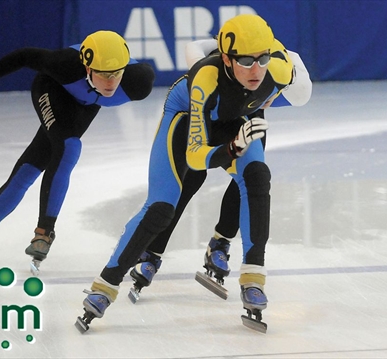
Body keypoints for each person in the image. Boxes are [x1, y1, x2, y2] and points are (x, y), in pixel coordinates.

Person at [77, 14, 296, 331]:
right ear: (225, 58)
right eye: (246, 60)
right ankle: (105, 286)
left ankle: (253, 277)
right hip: (185, 117)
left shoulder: (281, 68)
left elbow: (278, 88)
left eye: (262, 59)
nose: (255, 70)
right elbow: (196, 155)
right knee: (161, 208)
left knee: (258, 178)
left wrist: (250, 123)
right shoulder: (205, 78)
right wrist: (232, 149)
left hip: (237, 119)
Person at [129, 38, 312, 298]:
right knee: (190, 177)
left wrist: (263, 98)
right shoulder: (221, 57)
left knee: (250, 178)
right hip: (210, 107)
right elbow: (194, 50)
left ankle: (221, 242)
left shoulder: (283, 73)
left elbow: (301, 92)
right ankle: (153, 250)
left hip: (245, 114)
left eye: (272, 92)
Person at [0, 31, 155, 271]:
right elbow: (23, 56)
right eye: (104, 75)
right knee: (69, 146)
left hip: (86, 104)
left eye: (116, 74)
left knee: (29, 169)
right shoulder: (64, 65)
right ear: (86, 68)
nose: (111, 82)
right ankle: (45, 232)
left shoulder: (138, 82)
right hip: (51, 88)